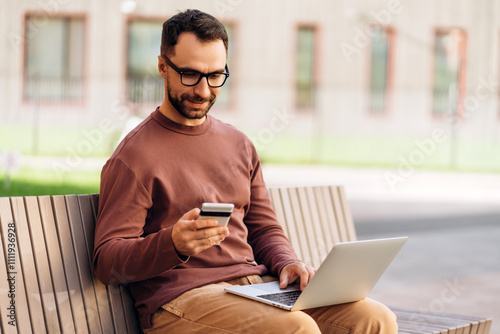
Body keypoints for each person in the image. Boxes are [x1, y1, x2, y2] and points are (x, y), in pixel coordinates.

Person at [93, 9, 398, 333]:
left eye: (215, 75)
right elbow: (107, 262)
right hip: (180, 301)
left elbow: (263, 228)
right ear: (162, 67)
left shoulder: (238, 144)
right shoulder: (135, 156)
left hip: (254, 287)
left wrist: (287, 262)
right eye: (190, 74)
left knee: (375, 319)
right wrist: (174, 244)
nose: (204, 90)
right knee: (296, 328)